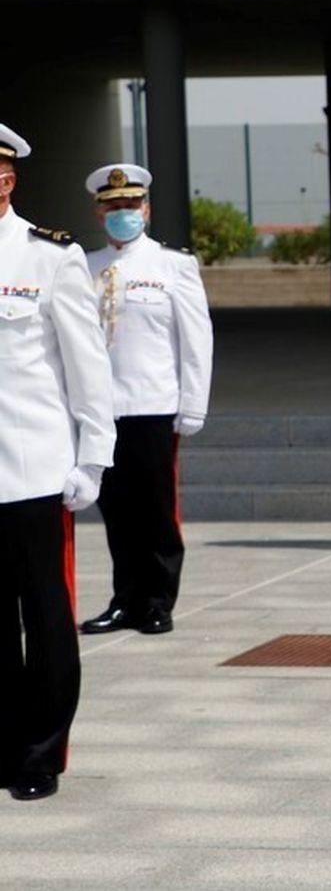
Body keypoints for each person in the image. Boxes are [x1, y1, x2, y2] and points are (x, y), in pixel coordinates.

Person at [0, 124, 117, 800]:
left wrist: (92, 459)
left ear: (7, 180)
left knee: (45, 618)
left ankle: (41, 753)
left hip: (34, 470)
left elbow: (86, 366)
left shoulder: (50, 258)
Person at [78, 164, 214, 636]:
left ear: (147, 210)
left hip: (154, 406)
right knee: (115, 512)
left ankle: (157, 600)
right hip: (100, 409)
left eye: (131, 206)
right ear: (99, 213)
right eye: (113, 207)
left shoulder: (173, 266)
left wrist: (193, 403)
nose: (123, 214)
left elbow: (196, 340)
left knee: (156, 510)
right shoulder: (83, 266)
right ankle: (124, 599)